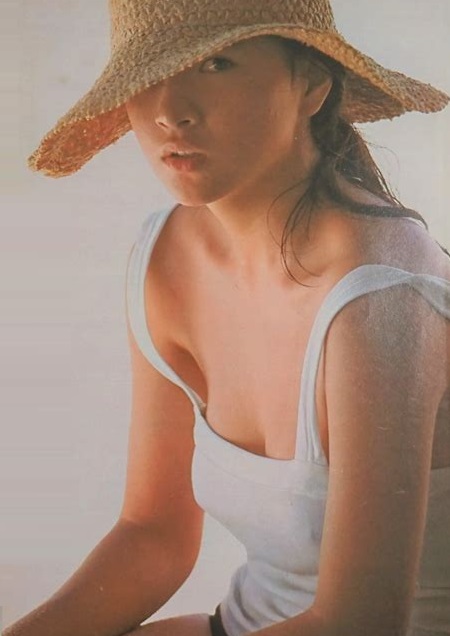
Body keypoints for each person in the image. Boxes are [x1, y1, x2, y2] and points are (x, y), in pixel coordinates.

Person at [5, 1, 450, 635]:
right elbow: (154, 535)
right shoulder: (167, 256)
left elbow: (359, 624)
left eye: (216, 63)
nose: (169, 111)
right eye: (146, 75)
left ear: (312, 85)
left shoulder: (382, 296)